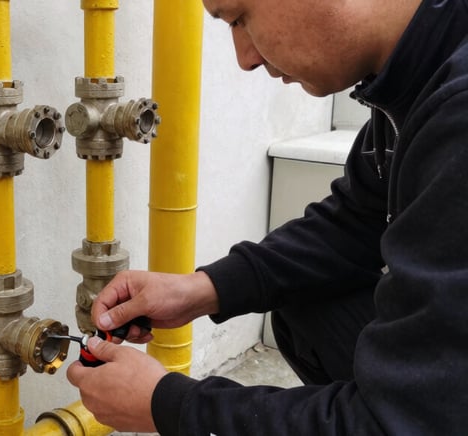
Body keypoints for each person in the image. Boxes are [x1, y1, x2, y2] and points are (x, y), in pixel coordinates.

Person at [66, 0, 468, 434]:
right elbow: (355, 222)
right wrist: (202, 289)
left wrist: (173, 405)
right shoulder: (416, 74)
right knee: (308, 306)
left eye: (239, 18)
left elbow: (403, 422)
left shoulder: (458, 114)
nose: (245, 58)